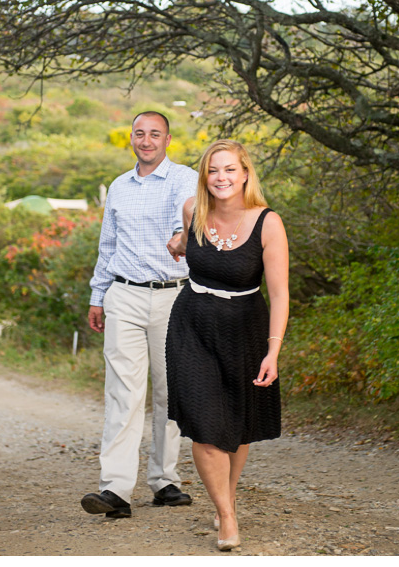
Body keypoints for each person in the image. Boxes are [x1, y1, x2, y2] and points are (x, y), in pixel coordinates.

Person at [165, 139, 289, 551]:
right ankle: (228, 516)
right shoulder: (192, 211)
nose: (221, 178)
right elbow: (187, 244)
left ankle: (226, 499)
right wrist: (179, 243)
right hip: (192, 323)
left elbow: (280, 294)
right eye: (213, 171)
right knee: (204, 425)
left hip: (244, 328)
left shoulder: (268, 222)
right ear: (205, 176)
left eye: (230, 170)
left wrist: (272, 351)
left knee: (237, 425)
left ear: (245, 173)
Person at [81, 111, 199, 520]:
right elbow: (107, 244)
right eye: (139, 133)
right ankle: (115, 489)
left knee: (170, 391)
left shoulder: (183, 178)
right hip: (124, 295)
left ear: (168, 139)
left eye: (155, 134)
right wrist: (98, 296)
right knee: (123, 394)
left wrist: (179, 236)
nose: (146, 140)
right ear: (131, 138)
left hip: (173, 297)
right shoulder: (118, 186)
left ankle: (165, 480)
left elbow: (185, 217)